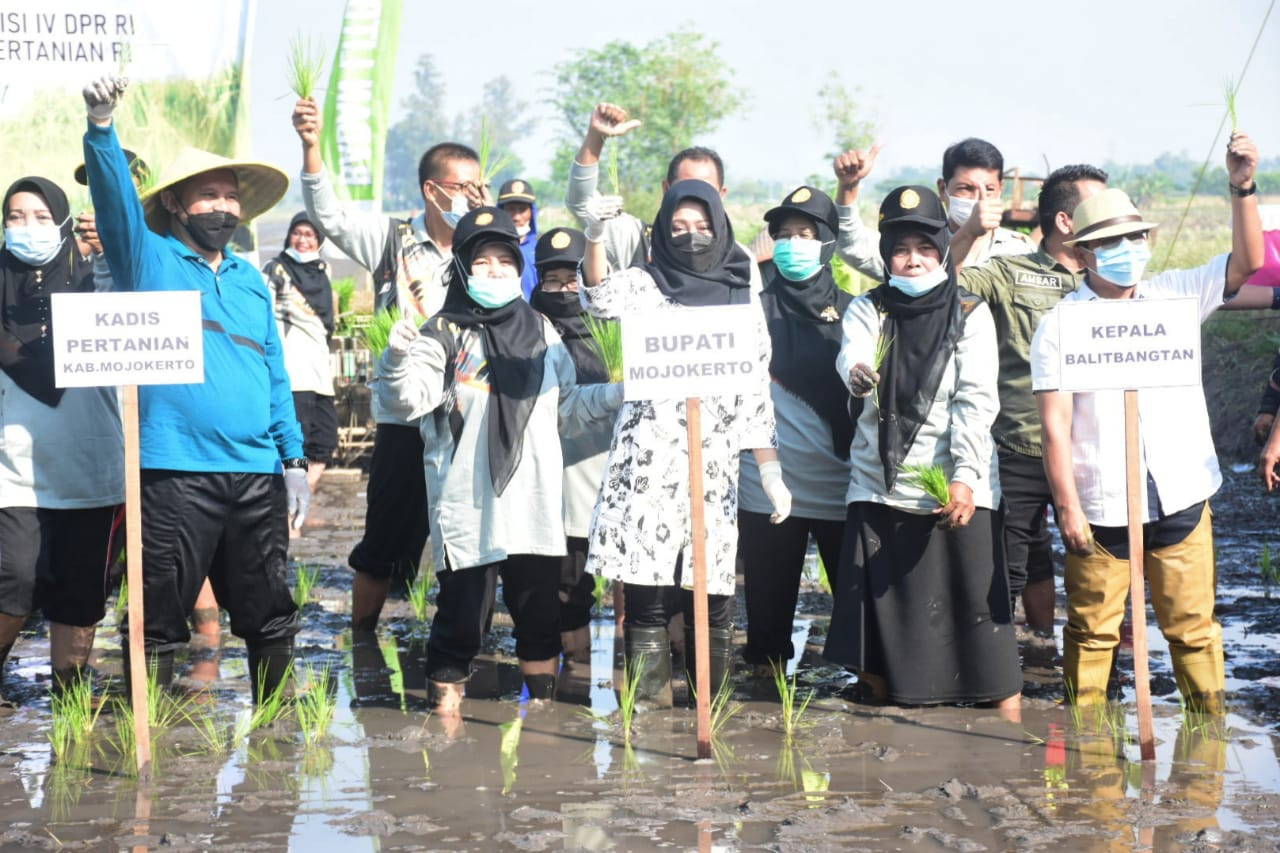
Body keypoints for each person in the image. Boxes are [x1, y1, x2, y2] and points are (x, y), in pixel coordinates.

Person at [82, 74, 308, 704]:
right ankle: (147, 735)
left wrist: (292, 459)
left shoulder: (249, 281)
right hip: (175, 473)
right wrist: (102, 128)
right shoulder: (148, 261)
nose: (223, 208)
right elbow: (115, 204)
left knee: (269, 614)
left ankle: (277, 731)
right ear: (177, 206)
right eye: (207, 196)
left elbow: (274, 375)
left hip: (256, 475)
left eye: (231, 198)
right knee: (158, 619)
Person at [1033, 132, 1263, 714]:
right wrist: (1067, 507)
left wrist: (1241, 186)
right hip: (1101, 506)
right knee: (1092, 634)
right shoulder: (1062, 325)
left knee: (1194, 629)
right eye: (1109, 242)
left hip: (1182, 495)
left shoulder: (1176, 297)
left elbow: (1251, 262)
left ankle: (1206, 744)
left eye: (1133, 237)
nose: (1125, 248)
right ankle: (1090, 755)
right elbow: (1055, 425)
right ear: (1082, 253)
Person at [376, 208, 622, 711]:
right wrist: (395, 361)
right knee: (460, 624)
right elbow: (409, 401)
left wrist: (619, 393)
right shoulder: (441, 333)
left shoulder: (543, 333)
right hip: (469, 510)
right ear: (463, 267)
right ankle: (447, 727)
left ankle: (545, 724)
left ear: (518, 268)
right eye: (482, 261)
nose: (494, 271)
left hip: (533, 509)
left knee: (539, 625)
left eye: (504, 261)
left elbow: (567, 411)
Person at [580, 179, 791, 706]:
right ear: (661, 232)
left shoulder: (742, 294)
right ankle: (649, 711)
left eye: (701, 226)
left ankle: (709, 709)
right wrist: (594, 235)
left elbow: (754, 390)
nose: (691, 236)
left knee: (713, 592)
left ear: (720, 229)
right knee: (647, 594)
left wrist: (769, 471)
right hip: (647, 465)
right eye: (678, 226)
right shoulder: (646, 286)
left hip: (712, 466)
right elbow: (600, 296)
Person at [823, 185, 1021, 717]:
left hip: (959, 485)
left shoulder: (969, 313)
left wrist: (965, 478)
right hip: (879, 486)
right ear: (886, 255)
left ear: (941, 250)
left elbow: (975, 404)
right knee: (884, 637)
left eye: (925, 247)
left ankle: (1003, 730)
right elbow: (853, 356)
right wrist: (860, 376)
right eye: (900, 249)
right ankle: (894, 719)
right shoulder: (869, 309)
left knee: (982, 632)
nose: (912, 260)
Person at [292, 97, 485, 632]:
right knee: (384, 540)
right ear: (432, 189)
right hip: (406, 417)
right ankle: (362, 640)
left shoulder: (485, 248)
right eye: (463, 187)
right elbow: (328, 215)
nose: (471, 196)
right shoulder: (393, 240)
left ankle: (455, 646)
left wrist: (488, 225)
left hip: (470, 415)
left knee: (470, 537)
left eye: (478, 187)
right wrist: (311, 148)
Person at [952, 164, 1108, 642]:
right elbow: (941, 291)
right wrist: (968, 232)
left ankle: (1058, 655)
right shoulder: (1009, 273)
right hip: (1021, 448)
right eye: (1097, 209)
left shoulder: (1117, 279)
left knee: (1101, 568)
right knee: (1011, 564)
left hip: (1094, 455)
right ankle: (999, 676)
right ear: (1066, 222)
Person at [0, 176, 124, 703]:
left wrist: (111, 248)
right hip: (13, 470)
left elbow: (136, 305)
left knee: (79, 593)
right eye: (15, 217)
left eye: (41, 217)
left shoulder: (95, 277)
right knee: (13, 581)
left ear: (65, 222)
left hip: (88, 467)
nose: (28, 228)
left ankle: (70, 696)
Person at [738, 186, 852, 676]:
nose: (791, 244)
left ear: (827, 242)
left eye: (805, 234)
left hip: (840, 484)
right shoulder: (749, 311)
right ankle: (764, 696)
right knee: (766, 614)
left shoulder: (857, 311)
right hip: (765, 485)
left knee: (853, 605)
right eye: (782, 235)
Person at [526, 226, 615, 665]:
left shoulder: (615, 326)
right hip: (560, 483)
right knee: (569, 587)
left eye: (573, 279)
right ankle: (575, 677)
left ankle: (632, 676)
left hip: (615, 474)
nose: (564, 290)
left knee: (637, 584)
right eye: (553, 281)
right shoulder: (528, 332)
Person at [565, 102, 763, 292]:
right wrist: (596, 138)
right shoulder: (635, 241)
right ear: (666, 189)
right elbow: (582, 202)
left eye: (705, 190)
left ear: (721, 195)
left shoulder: (739, 260)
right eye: (684, 188)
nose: (694, 196)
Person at [833, 138, 1035, 282]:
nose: (977, 200)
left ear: (1000, 189)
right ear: (942, 188)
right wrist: (848, 187)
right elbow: (852, 245)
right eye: (965, 188)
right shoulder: (914, 250)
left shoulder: (1019, 250)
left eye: (988, 189)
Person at [263, 211, 338, 495]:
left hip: (320, 376)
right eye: (298, 233)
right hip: (293, 374)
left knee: (323, 445)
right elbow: (264, 316)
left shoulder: (323, 271)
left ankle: (295, 505)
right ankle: (288, 513)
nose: (303, 240)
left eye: (310, 235)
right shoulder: (276, 269)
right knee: (296, 445)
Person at [495, 179, 540, 299]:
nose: (516, 217)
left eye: (522, 209)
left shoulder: (540, 250)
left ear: (532, 212)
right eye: (511, 209)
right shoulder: (491, 249)